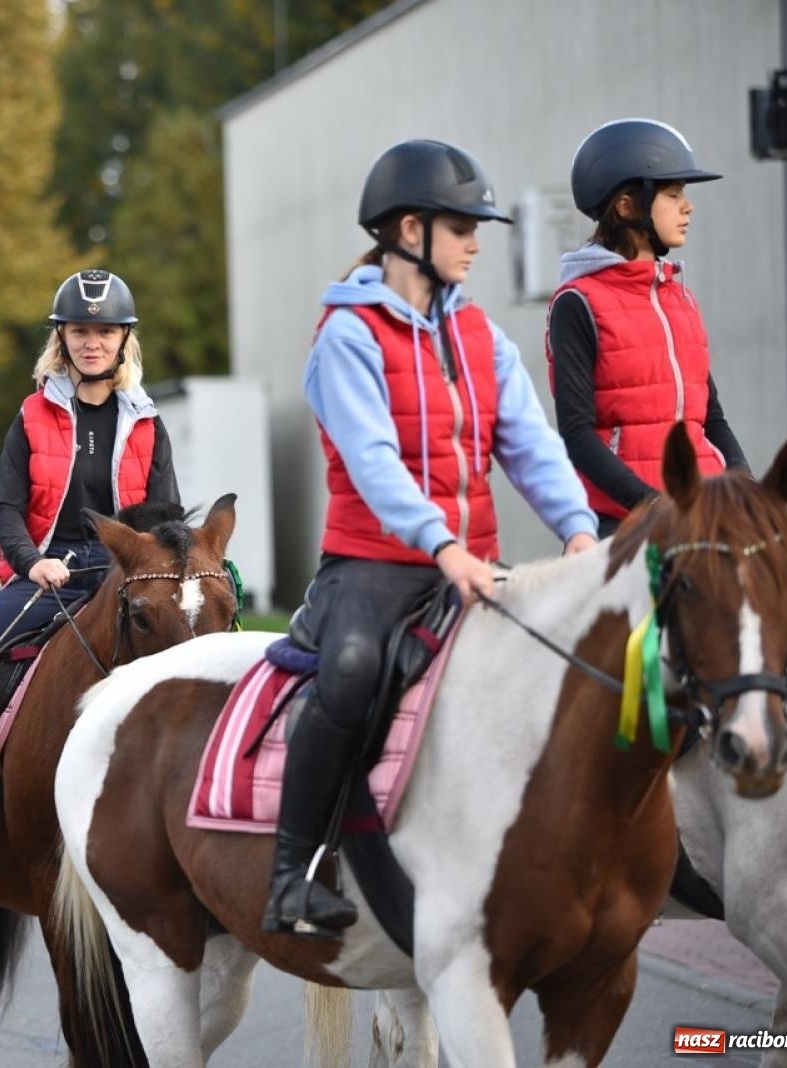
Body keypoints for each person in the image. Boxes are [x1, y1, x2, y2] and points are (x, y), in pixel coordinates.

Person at [264, 141, 598, 939]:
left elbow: (528, 440)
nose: (477, 242)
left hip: (470, 561)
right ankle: (292, 872)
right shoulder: (345, 337)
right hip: (372, 566)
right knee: (348, 673)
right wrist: (442, 545)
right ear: (409, 230)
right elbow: (373, 462)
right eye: (461, 226)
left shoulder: (479, 332)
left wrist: (579, 530)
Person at [0, 269, 180, 874]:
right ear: (62, 340)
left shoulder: (147, 419)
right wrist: (32, 562)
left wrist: (151, 561)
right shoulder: (33, 416)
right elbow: (5, 506)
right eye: (81, 331)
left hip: (125, 573)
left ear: (123, 342)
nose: (93, 343)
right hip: (46, 574)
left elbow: (164, 510)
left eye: (105, 332)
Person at [548, 118, 748, 537]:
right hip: (625, 521)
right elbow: (577, 435)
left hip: (704, 513)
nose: (687, 206)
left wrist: (744, 487)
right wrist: (652, 506)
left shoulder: (681, 298)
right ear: (627, 206)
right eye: (673, 195)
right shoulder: (576, 304)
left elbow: (710, 419)